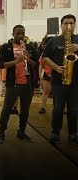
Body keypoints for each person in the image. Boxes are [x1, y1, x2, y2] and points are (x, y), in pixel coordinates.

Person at [0, 25, 39, 144]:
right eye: (18, 33)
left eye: (22, 33)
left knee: (25, 110)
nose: (20, 36)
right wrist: (15, 61)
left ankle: (22, 131)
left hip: (27, 85)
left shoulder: (30, 48)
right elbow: (1, 64)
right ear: (13, 34)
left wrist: (28, 59)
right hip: (13, 84)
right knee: (7, 109)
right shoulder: (6, 47)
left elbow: (36, 65)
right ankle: (1, 131)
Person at [43, 14, 78, 145]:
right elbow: (45, 57)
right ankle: (55, 133)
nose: (69, 25)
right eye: (66, 23)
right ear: (61, 25)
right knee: (57, 108)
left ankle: (73, 134)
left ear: (75, 24)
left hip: (76, 82)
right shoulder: (53, 41)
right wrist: (56, 67)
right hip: (58, 81)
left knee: (74, 109)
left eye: (71, 23)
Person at [38, 36, 53, 114]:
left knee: (60, 93)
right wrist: (40, 75)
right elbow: (41, 64)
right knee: (46, 92)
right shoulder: (44, 53)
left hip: (59, 74)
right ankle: (42, 107)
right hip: (47, 74)